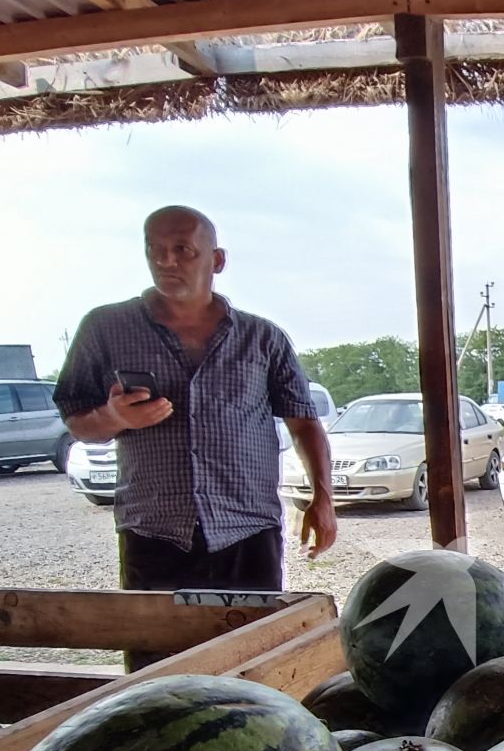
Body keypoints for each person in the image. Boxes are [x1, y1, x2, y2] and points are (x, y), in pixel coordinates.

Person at [55, 207, 337, 608]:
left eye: (183, 249)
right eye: (155, 249)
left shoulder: (263, 338)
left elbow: (304, 423)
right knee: (161, 663)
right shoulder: (105, 329)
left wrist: (322, 499)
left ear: (216, 260)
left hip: (247, 530)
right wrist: (115, 417)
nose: (166, 261)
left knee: (252, 658)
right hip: (153, 532)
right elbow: (77, 420)